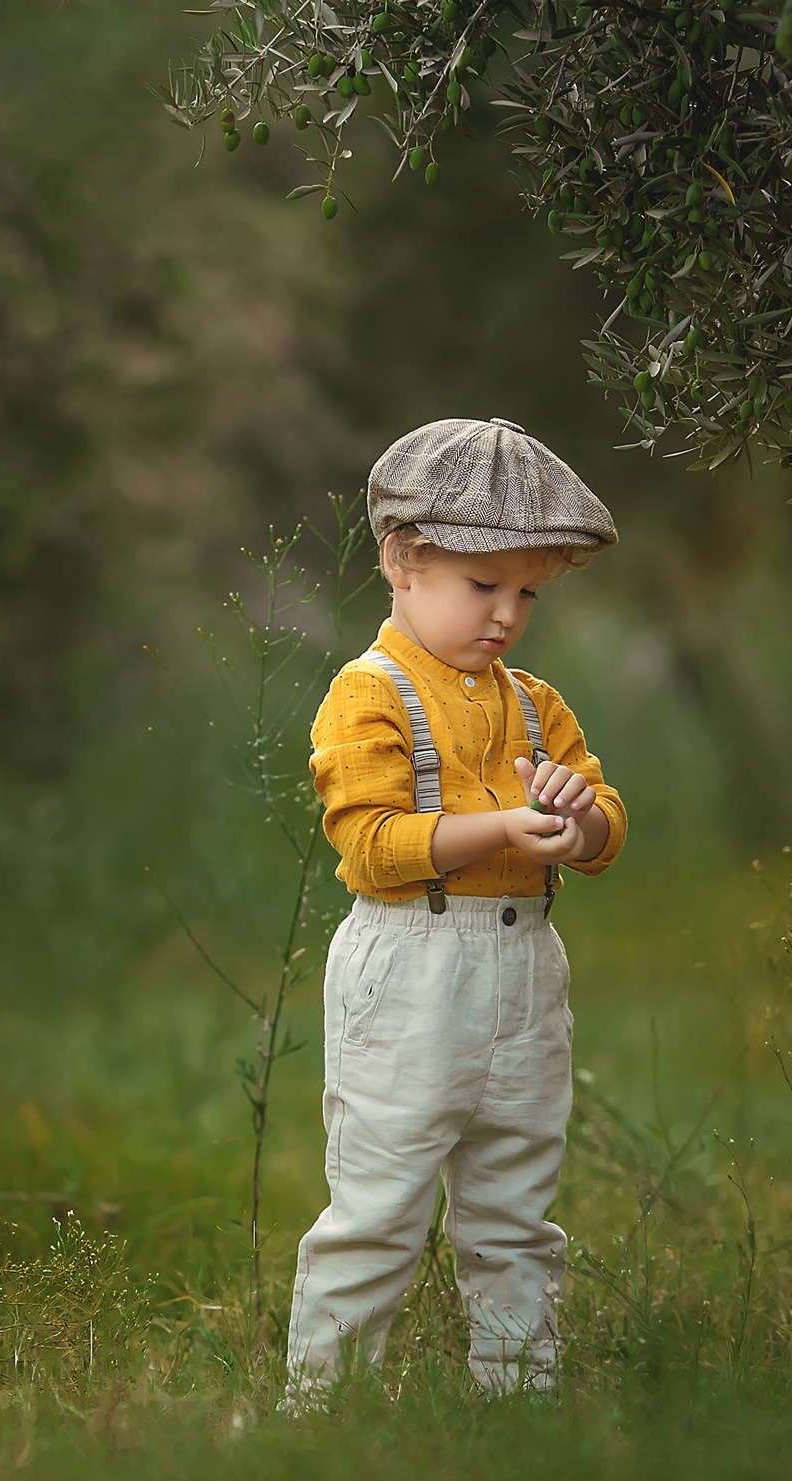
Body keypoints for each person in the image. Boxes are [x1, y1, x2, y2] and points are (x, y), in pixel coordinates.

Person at [286, 415, 627, 1404]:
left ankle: (519, 1400)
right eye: (485, 586)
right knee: (380, 1205)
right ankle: (323, 1410)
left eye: (527, 591)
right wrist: (506, 829)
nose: (508, 614)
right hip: (411, 972)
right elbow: (375, 846)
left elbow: (602, 811)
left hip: (523, 973)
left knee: (515, 1211)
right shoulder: (371, 692)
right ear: (403, 558)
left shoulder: (535, 703)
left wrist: (578, 829)